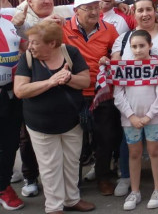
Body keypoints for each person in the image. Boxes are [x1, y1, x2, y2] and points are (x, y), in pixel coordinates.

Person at [13, 20, 95, 214]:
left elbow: (85, 81)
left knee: (72, 162)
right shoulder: (28, 58)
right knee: (50, 166)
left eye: (34, 42)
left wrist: (68, 78)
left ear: (52, 43)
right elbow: (20, 90)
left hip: (71, 121)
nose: (29, 45)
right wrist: (50, 82)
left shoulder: (71, 53)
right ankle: (54, 207)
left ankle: (72, 200)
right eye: (30, 41)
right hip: (40, 124)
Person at [112, 0, 158, 197]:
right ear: (134, 14)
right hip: (131, 102)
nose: (144, 14)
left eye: (148, 10)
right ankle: (126, 176)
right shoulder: (124, 38)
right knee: (129, 142)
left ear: (155, 12)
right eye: (140, 10)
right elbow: (115, 64)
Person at [61, 0, 120, 196]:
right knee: (73, 140)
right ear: (76, 11)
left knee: (104, 137)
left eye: (97, 7)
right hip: (72, 91)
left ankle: (103, 177)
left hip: (101, 92)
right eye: (89, 8)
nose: (95, 11)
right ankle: (73, 182)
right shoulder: (62, 28)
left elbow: (117, 55)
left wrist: (111, 60)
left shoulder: (110, 29)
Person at [113, 30, 158, 211]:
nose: (138, 50)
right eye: (134, 46)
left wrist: (149, 116)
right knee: (134, 153)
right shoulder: (124, 67)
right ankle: (135, 191)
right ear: (129, 48)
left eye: (142, 46)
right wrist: (131, 116)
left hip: (153, 119)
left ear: (150, 46)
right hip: (130, 119)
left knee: (154, 151)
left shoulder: (157, 66)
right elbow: (118, 94)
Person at [0, 0, 23, 210]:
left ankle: (3, 185)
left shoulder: (9, 17)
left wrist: (117, 3)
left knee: (9, 144)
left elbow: (64, 8)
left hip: (10, 93)